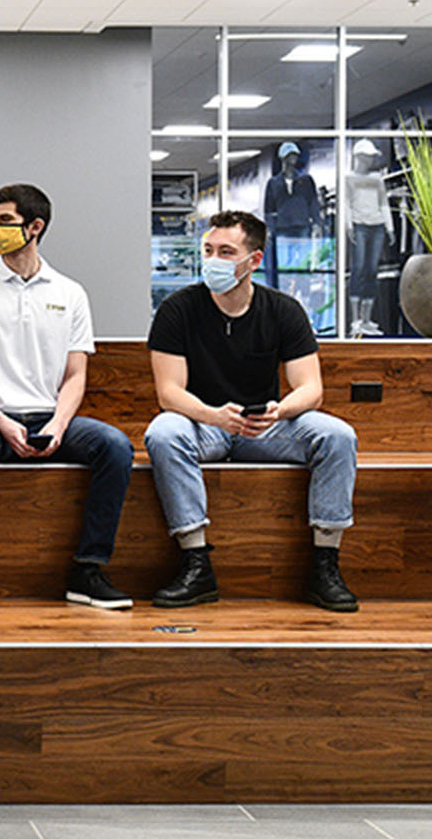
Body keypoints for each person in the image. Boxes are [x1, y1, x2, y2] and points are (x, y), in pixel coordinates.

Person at [143, 210, 359, 612]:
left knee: (338, 435)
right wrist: (213, 415)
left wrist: (280, 410)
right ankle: (195, 562)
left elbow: (311, 389)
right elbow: (169, 393)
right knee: (163, 432)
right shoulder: (177, 309)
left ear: (254, 260)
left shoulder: (283, 310)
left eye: (226, 252)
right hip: (202, 426)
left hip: (265, 428)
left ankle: (325, 566)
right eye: (209, 250)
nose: (214, 260)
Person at [0, 183, 133, 612]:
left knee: (116, 446)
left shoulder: (69, 292)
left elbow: (76, 375)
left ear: (35, 226)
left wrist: (58, 425)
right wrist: (2, 422)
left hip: (49, 414)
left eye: (5, 221)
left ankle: (88, 571)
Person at [344, 140, 391, 337]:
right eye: (369, 157)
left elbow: (384, 203)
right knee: (358, 269)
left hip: (377, 226)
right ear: (360, 157)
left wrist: (389, 227)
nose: (371, 161)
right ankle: (355, 320)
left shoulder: (377, 178)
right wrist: (349, 226)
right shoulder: (348, 178)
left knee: (372, 270)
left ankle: (366, 320)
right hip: (359, 225)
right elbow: (346, 204)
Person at [263, 142, 321, 291]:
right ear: (283, 158)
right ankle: (285, 293)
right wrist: (269, 229)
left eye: (295, 155)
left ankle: (303, 293)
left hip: (302, 226)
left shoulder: (306, 181)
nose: (293, 159)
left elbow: (313, 203)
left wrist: (316, 223)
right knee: (284, 264)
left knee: (303, 263)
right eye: (290, 155)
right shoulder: (274, 183)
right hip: (282, 228)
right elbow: (269, 208)